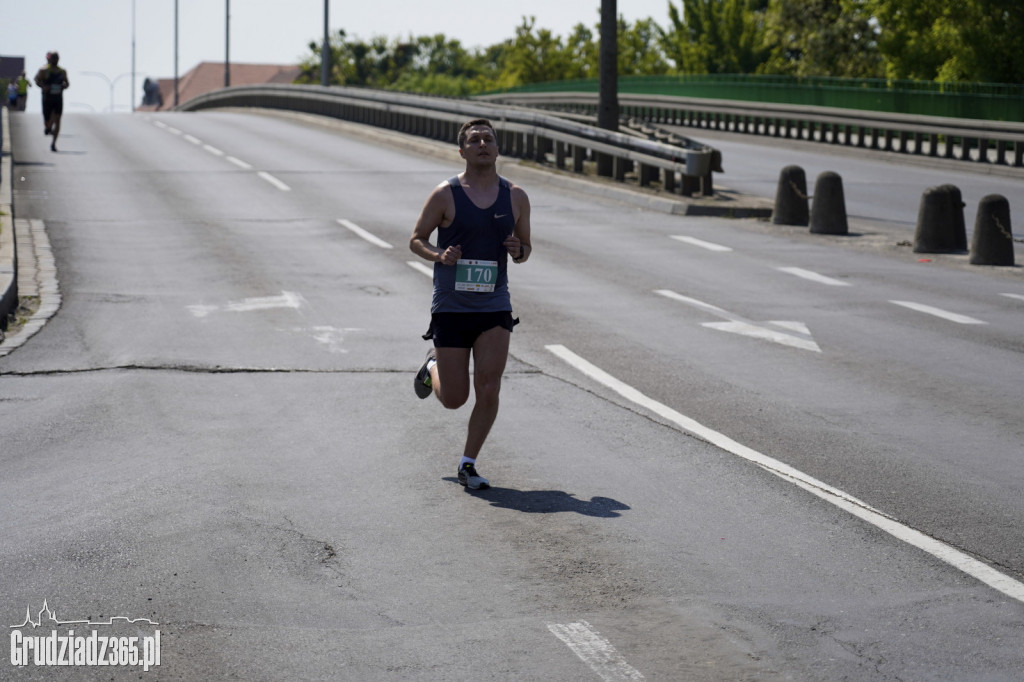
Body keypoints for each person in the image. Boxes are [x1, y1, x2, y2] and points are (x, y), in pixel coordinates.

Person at [410, 118, 532, 490]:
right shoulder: (445, 194)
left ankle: (468, 463)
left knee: (490, 387)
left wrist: (518, 250)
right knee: (454, 400)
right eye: (475, 140)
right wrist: (439, 255)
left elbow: (525, 249)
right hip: (451, 305)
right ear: (462, 151)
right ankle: (433, 364)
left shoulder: (516, 196)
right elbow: (416, 239)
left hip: (494, 303)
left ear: (497, 149)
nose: (483, 144)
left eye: (489, 139)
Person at [35, 52, 69, 152]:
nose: (55, 60)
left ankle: (53, 143)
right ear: (50, 59)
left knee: (58, 120)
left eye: (56, 58)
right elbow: (36, 80)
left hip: (58, 98)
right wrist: (43, 86)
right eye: (53, 58)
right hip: (47, 98)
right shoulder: (44, 70)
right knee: (48, 121)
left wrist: (64, 86)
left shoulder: (62, 71)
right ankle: (48, 127)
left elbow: (67, 83)